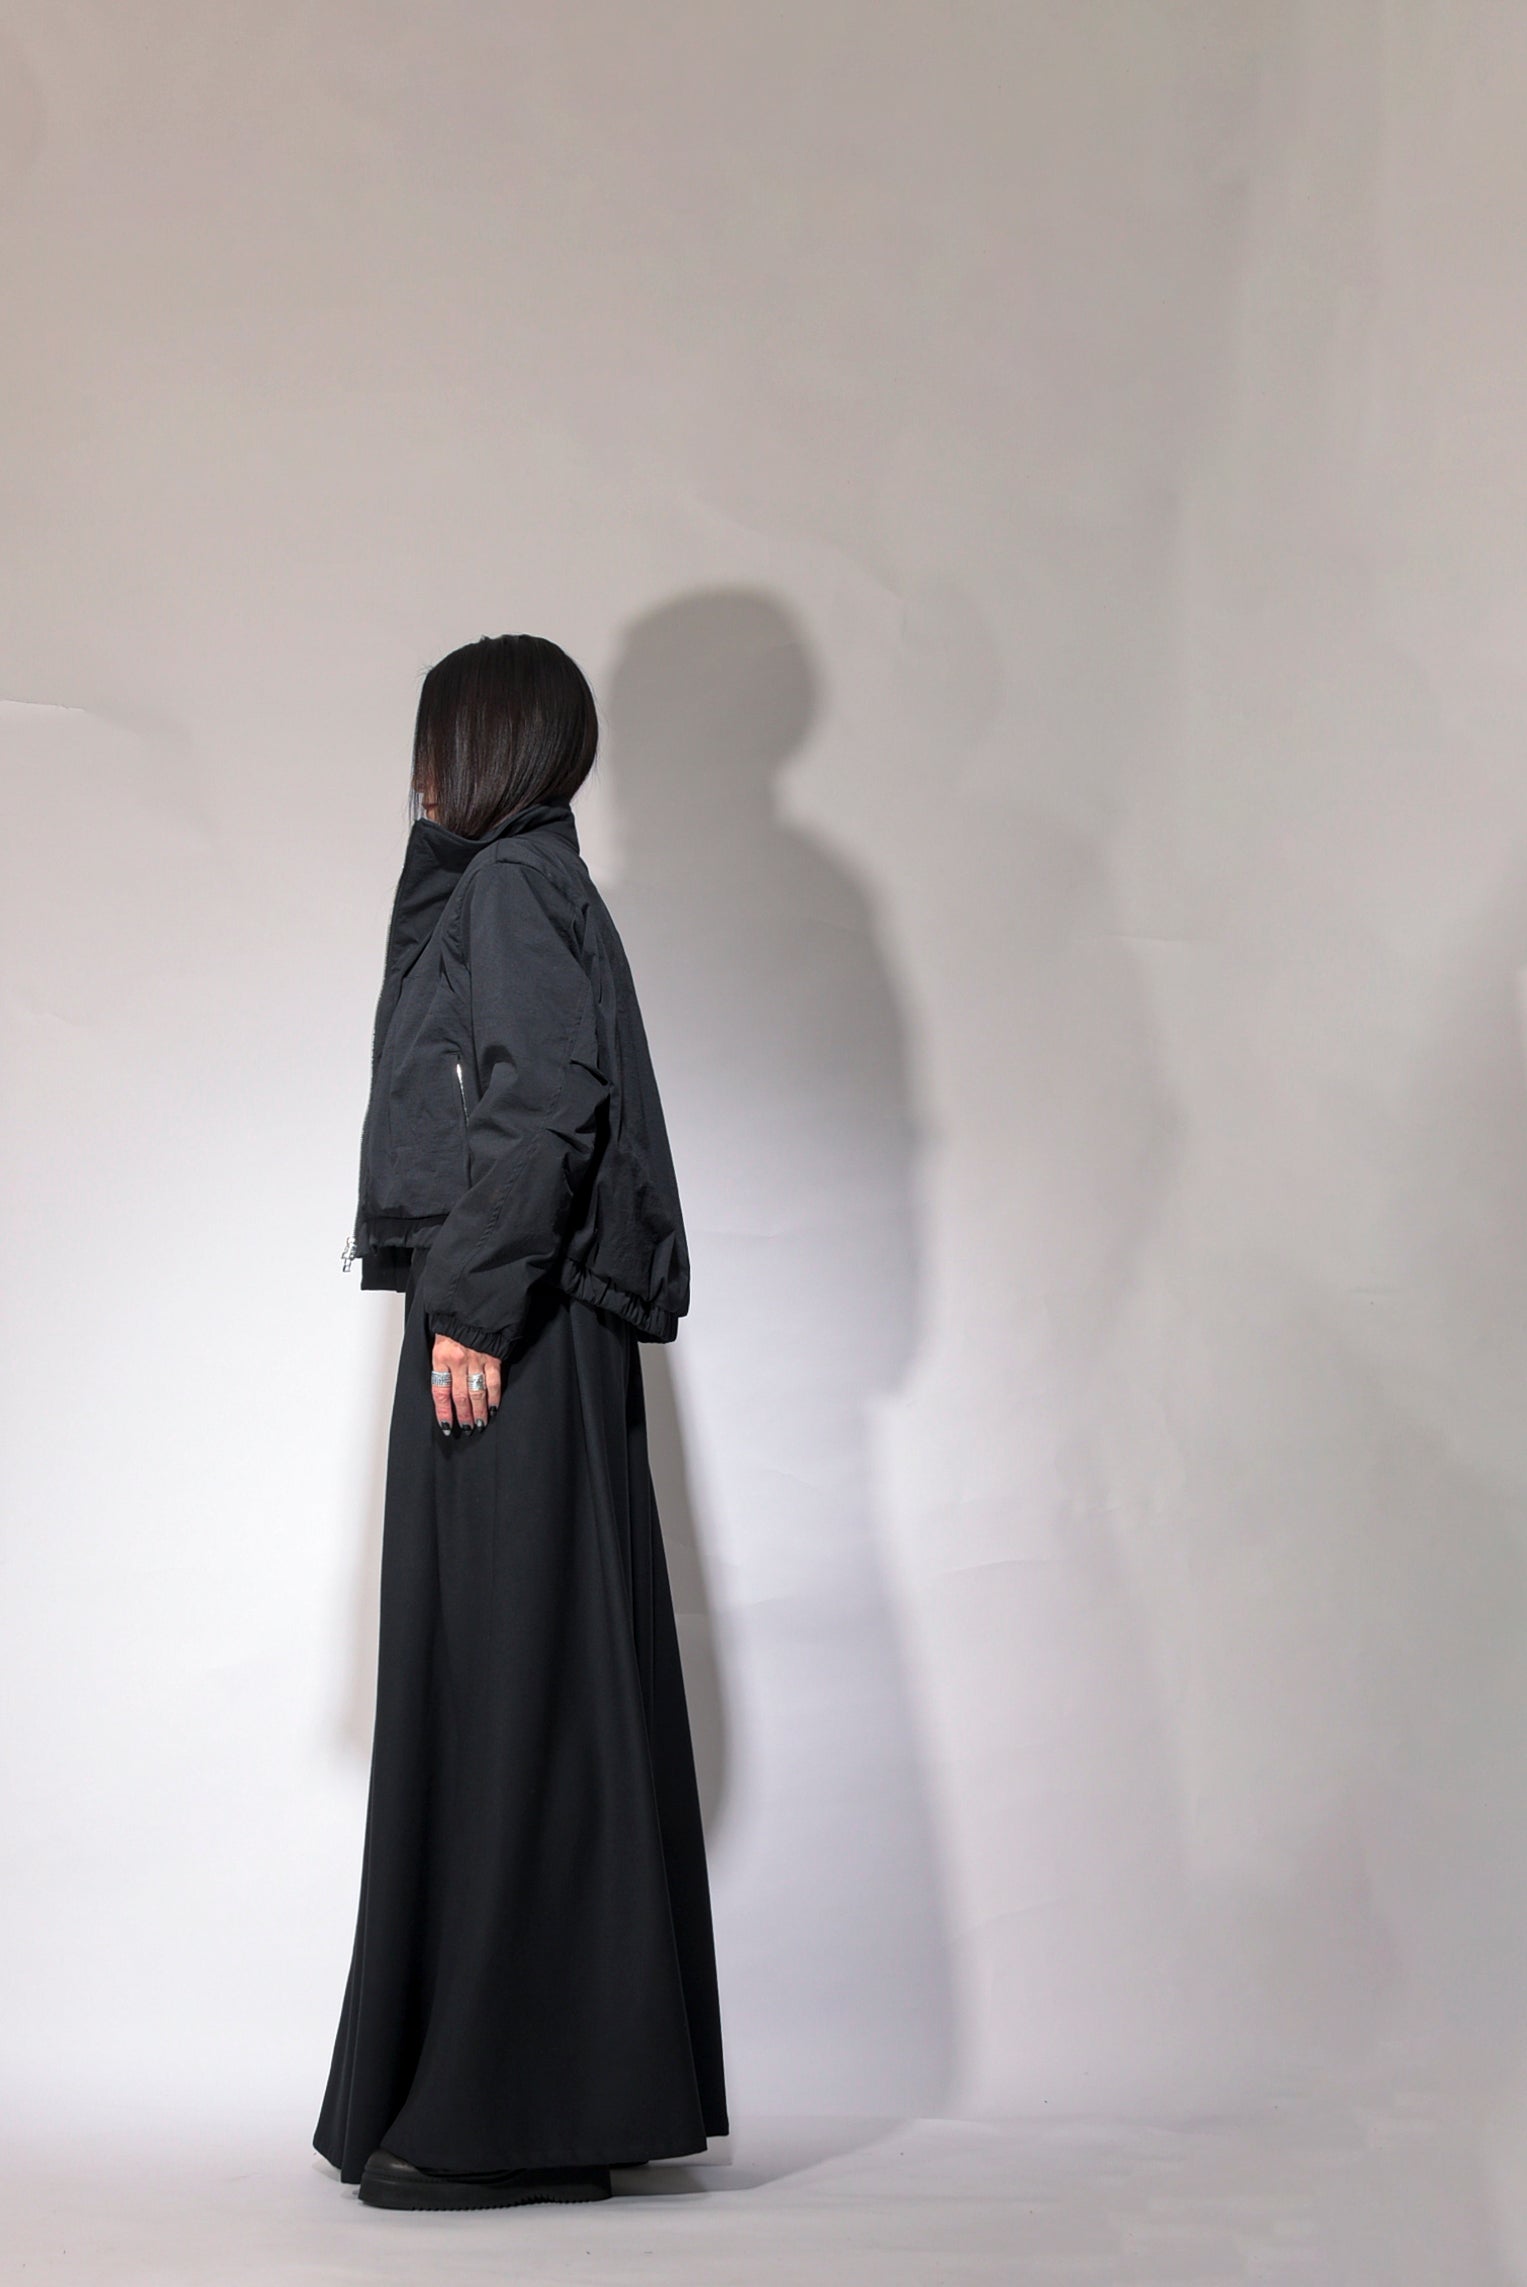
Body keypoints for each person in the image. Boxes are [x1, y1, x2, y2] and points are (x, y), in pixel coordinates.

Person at [312, 632, 729, 2212]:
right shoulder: (529, 880)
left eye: (437, 742)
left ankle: (509, 2120)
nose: (417, 773)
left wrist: (475, 1308)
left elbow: (546, 1101)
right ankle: (540, 2097)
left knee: (511, 1688)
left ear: (482, 746)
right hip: (530, 1320)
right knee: (534, 1689)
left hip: (513, 1331)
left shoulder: (508, 887)